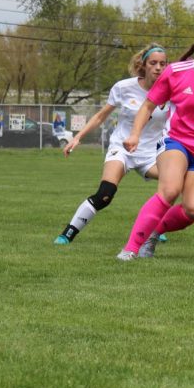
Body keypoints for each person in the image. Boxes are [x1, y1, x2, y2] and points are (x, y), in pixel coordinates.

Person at [116, 24, 194, 261]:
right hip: (176, 142)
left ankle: (153, 232)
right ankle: (130, 249)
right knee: (170, 190)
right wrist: (134, 134)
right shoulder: (176, 71)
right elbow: (148, 106)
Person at [53, 43, 170, 245]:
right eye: (153, 63)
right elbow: (100, 117)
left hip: (151, 154)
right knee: (105, 194)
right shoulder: (124, 87)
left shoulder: (171, 92)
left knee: (175, 184)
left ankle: (155, 227)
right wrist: (77, 137)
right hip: (122, 148)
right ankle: (67, 233)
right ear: (144, 65)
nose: (158, 67)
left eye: (162, 63)